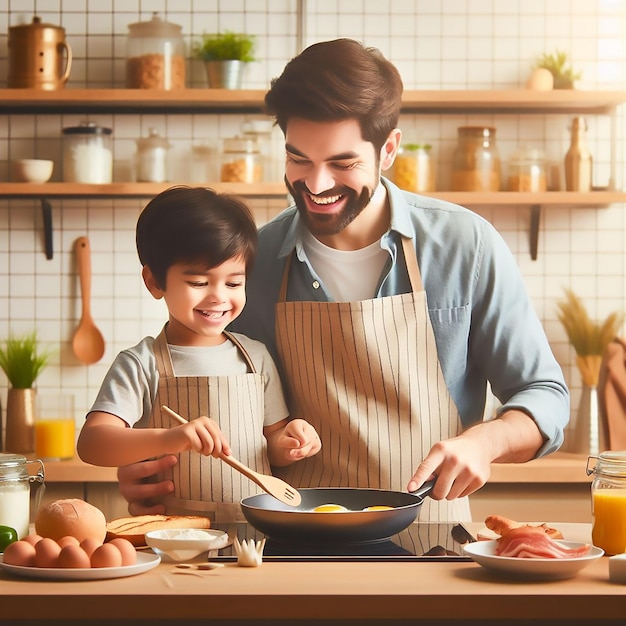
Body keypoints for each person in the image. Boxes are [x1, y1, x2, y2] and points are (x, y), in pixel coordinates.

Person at [117, 39, 569, 521]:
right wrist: (152, 465)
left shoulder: (464, 246)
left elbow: (544, 395)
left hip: (431, 546)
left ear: (388, 148)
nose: (315, 185)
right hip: (292, 546)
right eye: (299, 159)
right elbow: (207, 394)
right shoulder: (254, 261)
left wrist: (486, 440)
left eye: (342, 163)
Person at [77, 186, 321, 520]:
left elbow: (271, 444)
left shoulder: (256, 357)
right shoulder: (140, 363)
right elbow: (92, 443)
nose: (219, 297)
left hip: (255, 535)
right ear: (154, 282)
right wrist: (170, 438)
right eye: (198, 282)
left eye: (233, 283)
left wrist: (292, 442)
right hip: (175, 537)